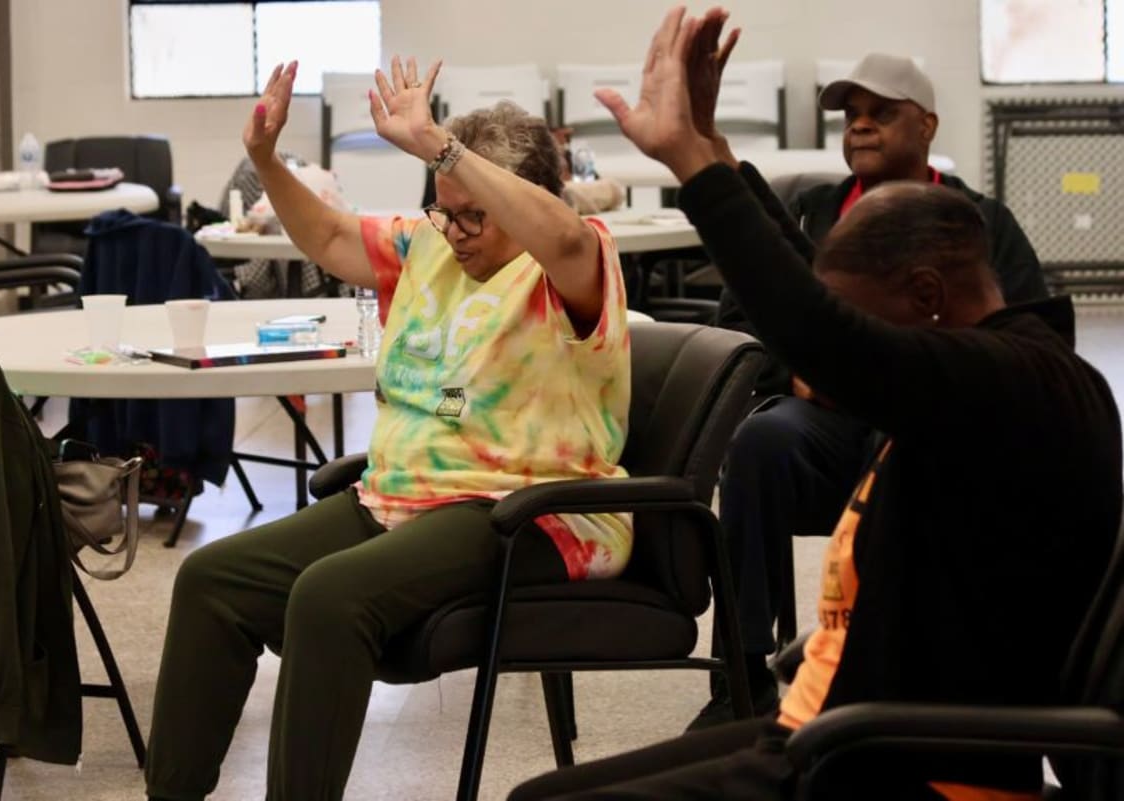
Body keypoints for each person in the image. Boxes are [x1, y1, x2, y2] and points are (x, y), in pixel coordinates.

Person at [509, 6, 1121, 799]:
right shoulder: (1000, 369)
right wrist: (718, 153)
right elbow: (815, 296)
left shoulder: (1016, 386)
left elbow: (824, 328)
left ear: (929, 299)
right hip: (830, 726)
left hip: (896, 764)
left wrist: (693, 166)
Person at [144, 56, 634, 801]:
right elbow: (332, 238)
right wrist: (264, 160)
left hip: (527, 511)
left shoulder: (566, 261)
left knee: (328, 596)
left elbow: (562, 238)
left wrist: (441, 144)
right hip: (402, 498)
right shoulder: (428, 246)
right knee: (212, 580)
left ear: (526, 200)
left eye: (476, 214)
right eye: (447, 210)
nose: (458, 231)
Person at [696, 51, 1051, 725]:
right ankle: (740, 679)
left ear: (928, 127)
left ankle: (873, 676)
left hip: (918, 421)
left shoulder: (976, 224)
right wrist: (795, 371)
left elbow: (1025, 335)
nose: (860, 127)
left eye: (881, 113)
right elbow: (740, 319)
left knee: (903, 452)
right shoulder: (811, 213)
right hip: (826, 423)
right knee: (762, 440)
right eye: (851, 115)